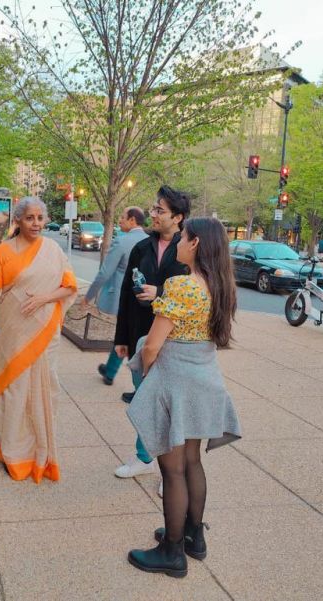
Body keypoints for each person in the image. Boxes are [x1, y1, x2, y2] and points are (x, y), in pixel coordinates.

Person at [125, 217, 242, 578]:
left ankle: (171, 551)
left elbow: (154, 346)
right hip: (205, 379)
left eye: (183, 236)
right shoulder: (218, 285)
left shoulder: (180, 286)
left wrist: (145, 376)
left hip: (177, 381)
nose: (177, 240)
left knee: (171, 467)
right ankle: (193, 537)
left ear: (194, 244)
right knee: (191, 461)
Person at [0, 197, 78, 482]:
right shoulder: (3, 251)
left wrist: (43, 299)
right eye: (30, 218)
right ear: (18, 221)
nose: (36, 223)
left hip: (45, 331)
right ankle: (10, 452)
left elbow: (69, 287)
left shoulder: (53, 250)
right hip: (11, 331)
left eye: (40, 218)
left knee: (44, 390)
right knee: (13, 391)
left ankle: (40, 453)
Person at [112, 186, 190, 480]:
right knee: (144, 402)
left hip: (173, 339)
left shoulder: (189, 247)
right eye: (154, 209)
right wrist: (121, 338)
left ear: (178, 217)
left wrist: (159, 292)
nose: (153, 215)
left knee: (170, 408)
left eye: (160, 210)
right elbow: (124, 292)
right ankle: (143, 457)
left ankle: (171, 474)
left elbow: (196, 290)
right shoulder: (141, 247)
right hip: (139, 335)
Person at [81, 206, 148, 385]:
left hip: (124, 297)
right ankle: (110, 371)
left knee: (130, 339)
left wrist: (89, 295)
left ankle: (138, 386)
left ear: (133, 220)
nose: (119, 220)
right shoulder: (151, 241)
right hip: (145, 298)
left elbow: (105, 272)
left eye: (123, 217)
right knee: (126, 334)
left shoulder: (122, 241)